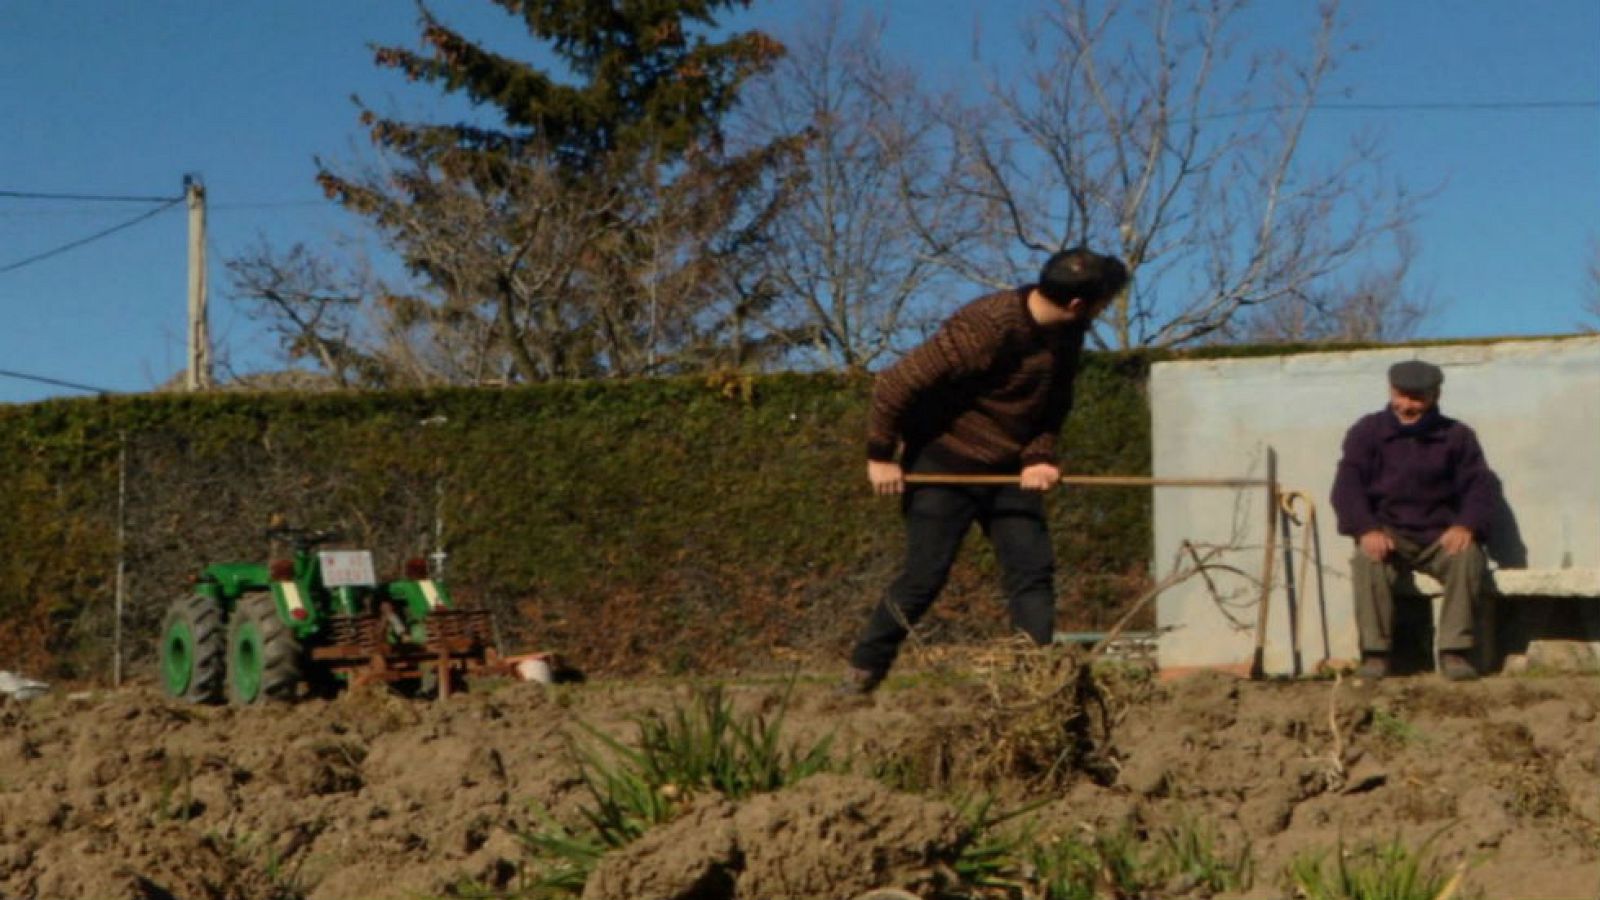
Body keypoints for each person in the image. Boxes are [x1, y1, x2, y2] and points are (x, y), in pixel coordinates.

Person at [840, 247, 1130, 694]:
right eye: (1102, 302)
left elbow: (1053, 406)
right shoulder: (986, 325)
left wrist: (1039, 457)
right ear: (1077, 303)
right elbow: (895, 383)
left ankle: (1035, 684)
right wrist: (880, 456)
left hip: (1010, 470)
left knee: (1032, 573)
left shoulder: (1069, 335)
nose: (1102, 311)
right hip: (942, 462)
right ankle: (861, 675)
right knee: (924, 577)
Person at [1330, 359, 1502, 682]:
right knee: (1367, 561)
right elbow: (1347, 486)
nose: (1407, 406)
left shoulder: (1457, 436)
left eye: (1416, 399)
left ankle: (1455, 651)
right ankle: (1375, 654)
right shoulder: (1367, 431)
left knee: (1469, 557)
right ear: (1391, 390)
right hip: (1389, 533)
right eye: (1401, 396)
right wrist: (1366, 528)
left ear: (1435, 395)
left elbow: (1480, 487)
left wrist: (1467, 524)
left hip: (1440, 534)